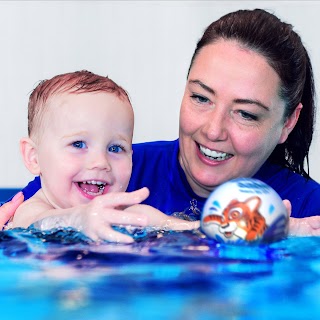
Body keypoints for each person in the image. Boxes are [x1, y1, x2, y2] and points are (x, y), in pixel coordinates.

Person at [2, 9, 320, 237]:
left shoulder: (307, 207)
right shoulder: (104, 177)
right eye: (201, 98)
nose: (212, 130)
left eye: (246, 114)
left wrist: (282, 229)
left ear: (288, 122)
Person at [7, 70, 199, 242]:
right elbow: (40, 223)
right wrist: (78, 218)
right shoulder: (31, 210)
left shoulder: (121, 213)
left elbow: (147, 217)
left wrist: (192, 229)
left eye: (115, 148)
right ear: (34, 157)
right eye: (78, 144)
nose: (100, 162)